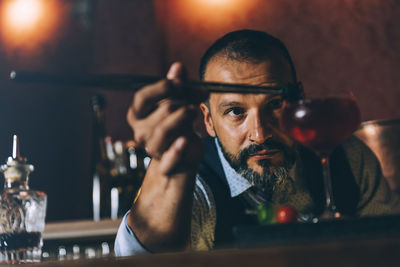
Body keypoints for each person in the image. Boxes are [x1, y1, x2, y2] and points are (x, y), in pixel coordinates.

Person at [115, 30, 400, 255]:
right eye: (236, 112)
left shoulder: (350, 160)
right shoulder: (195, 183)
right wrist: (169, 171)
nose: (260, 134)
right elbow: (140, 258)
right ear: (208, 120)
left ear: (297, 100)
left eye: (275, 104)